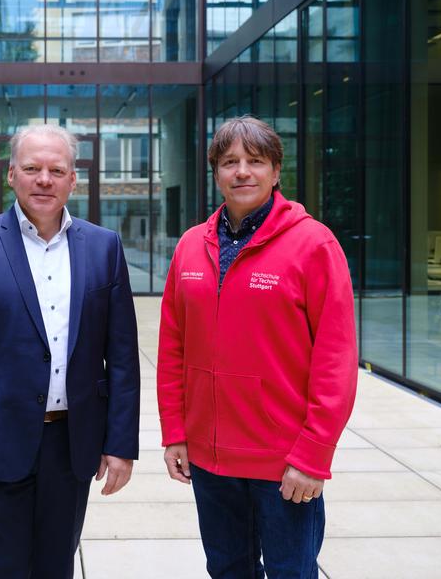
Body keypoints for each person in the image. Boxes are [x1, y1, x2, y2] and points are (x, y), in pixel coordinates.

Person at [0, 124, 140, 578]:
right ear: (11, 175)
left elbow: (122, 356)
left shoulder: (104, 247)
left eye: (56, 169)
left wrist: (120, 444)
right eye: (32, 168)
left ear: (73, 180)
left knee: (55, 568)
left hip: (72, 445)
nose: (44, 179)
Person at [157, 116, 358, 578]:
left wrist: (313, 456)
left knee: (291, 572)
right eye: (230, 162)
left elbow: (336, 362)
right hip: (209, 460)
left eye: (255, 161)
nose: (242, 172)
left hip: (284, 463)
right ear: (216, 173)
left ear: (276, 171)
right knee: (227, 570)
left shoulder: (313, 245)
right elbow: (173, 349)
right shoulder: (191, 246)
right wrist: (176, 431)